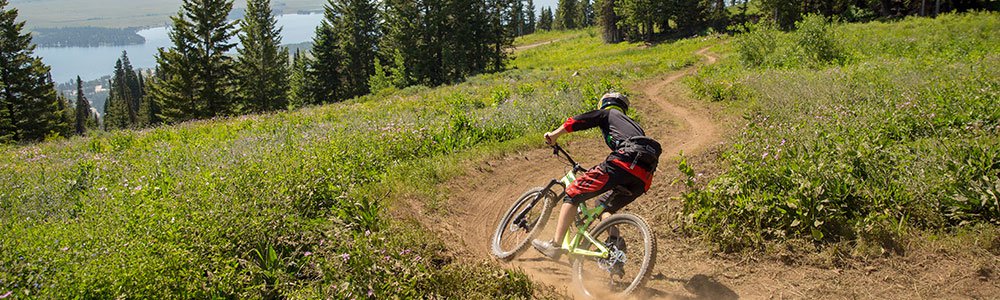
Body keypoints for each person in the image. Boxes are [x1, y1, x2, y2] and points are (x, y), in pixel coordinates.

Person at [532, 92, 662, 261]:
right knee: (604, 206)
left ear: (605, 103)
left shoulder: (608, 113)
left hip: (623, 162)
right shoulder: (634, 127)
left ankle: (555, 245)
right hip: (643, 177)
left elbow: (578, 121)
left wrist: (555, 135)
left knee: (573, 192)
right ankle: (614, 249)